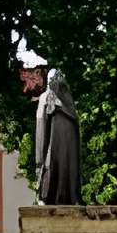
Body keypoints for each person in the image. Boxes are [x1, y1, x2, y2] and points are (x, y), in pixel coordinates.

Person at [33, 67, 82, 206]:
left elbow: (41, 131)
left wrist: (40, 159)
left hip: (57, 155)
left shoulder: (55, 101)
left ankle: (49, 195)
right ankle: (55, 196)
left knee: (58, 167)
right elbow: (42, 128)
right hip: (54, 154)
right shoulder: (69, 107)